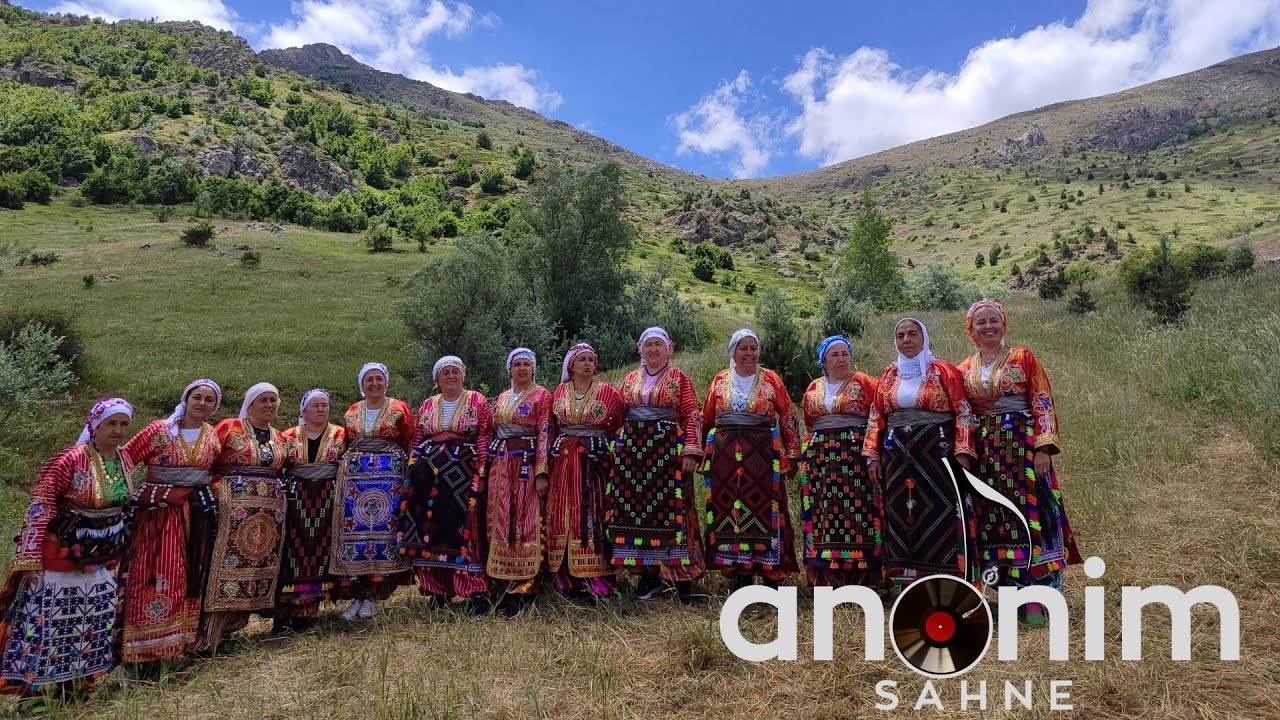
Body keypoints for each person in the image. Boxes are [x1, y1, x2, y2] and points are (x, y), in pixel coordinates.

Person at [957, 300, 1083, 626]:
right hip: (986, 457)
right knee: (995, 522)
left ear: (1004, 323)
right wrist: (965, 452)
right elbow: (964, 414)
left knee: (1033, 517)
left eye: (993, 321)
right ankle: (1010, 594)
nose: (988, 327)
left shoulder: (1023, 358)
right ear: (970, 329)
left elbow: (1041, 401)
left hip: (1023, 450)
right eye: (980, 322)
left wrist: (1044, 448)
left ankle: (1038, 596)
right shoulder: (963, 369)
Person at [0, 399, 136, 698]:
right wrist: (30, 556)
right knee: (54, 622)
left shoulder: (124, 459)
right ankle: (38, 694)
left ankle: (77, 685)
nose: (117, 430)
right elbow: (41, 504)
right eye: (110, 424)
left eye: (123, 424)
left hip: (104, 556)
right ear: (94, 426)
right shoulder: (70, 459)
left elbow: (124, 506)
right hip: (63, 554)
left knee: (93, 618)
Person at [864, 318, 979, 585]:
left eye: (912, 334)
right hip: (897, 458)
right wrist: (871, 455)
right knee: (902, 513)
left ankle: (948, 577)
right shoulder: (889, 375)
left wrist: (962, 451)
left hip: (936, 454)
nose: (906, 340)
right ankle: (909, 580)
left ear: (924, 337)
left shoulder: (943, 371)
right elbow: (876, 416)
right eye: (901, 335)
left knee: (943, 510)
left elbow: (963, 411)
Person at [120, 380, 222, 665]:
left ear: (215, 407)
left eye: (209, 400)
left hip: (197, 515)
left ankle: (175, 646)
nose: (202, 403)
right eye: (197, 397)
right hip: (158, 514)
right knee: (154, 574)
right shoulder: (158, 430)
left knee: (187, 575)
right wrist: (123, 496)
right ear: (185, 399)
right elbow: (125, 459)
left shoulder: (212, 435)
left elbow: (215, 472)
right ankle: (141, 651)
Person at [606, 327, 706, 604]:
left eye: (658, 345)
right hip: (634, 458)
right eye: (648, 345)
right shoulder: (628, 380)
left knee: (677, 512)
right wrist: (614, 447)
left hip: (668, 453)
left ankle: (682, 578)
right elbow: (617, 416)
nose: (653, 349)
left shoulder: (679, 378)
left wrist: (690, 449)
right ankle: (648, 576)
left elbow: (691, 414)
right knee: (639, 514)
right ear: (641, 350)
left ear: (669, 349)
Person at [701, 329, 802, 590]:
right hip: (725, 456)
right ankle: (740, 572)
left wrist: (793, 453)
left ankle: (770, 573)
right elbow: (707, 417)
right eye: (743, 348)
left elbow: (788, 414)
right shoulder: (720, 379)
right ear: (733, 352)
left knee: (768, 509)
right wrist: (702, 453)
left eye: (753, 348)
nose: (749, 353)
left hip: (763, 454)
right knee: (730, 510)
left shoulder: (771, 379)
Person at [196, 382, 288, 653]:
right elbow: (207, 460)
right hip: (230, 512)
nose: (269, 405)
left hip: (266, 515)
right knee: (222, 568)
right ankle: (206, 638)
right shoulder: (229, 428)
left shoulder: (279, 437)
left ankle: (230, 630)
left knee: (252, 570)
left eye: (273, 400)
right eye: (263, 400)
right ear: (249, 404)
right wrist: (213, 494)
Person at [401, 357, 492, 614]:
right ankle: (438, 591)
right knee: (433, 529)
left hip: (464, 471)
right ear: (436, 380)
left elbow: (484, 435)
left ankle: (474, 591)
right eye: (445, 373)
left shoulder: (477, 401)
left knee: (465, 529)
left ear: (463, 376)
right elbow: (418, 439)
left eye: (455, 372)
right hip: (430, 475)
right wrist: (411, 470)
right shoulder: (429, 404)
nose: (450, 376)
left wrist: (482, 474)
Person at [798, 335, 884, 588]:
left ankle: (865, 579)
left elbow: (877, 417)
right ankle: (828, 578)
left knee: (862, 514)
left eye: (845, 354)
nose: (841, 359)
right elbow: (809, 423)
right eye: (834, 355)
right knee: (824, 515)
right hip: (822, 463)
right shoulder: (814, 388)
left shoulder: (865, 383)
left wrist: (872, 454)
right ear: (823, 360)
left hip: (855, 459)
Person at [334, 363, 414, 620]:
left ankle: (374, 595)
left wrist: (409, 474)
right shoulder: (352, 410)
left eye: (379, 379)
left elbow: (409, 440)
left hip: (388, 479)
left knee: (383, 535)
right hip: (356, 481)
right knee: (356, 534)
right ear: (362, 384)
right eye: (369, 379)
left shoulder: (399, 408)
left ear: (386, 383)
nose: (375, 384)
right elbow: (346, 442)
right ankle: (358, 594)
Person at [545, 343, 625, 599]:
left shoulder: (610, 393)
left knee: (592, 512)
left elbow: (621, 428)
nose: (588, 364)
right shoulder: (557, 393)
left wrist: (609, 453)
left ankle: (598, 580)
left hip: (593, 465)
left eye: (591, 359)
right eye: (582, 360)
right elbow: (551, 430)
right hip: (564, 465)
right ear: (571, 365)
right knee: (562, 513)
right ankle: (566, 579)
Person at [485, 348, 552, 617]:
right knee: (500, 520)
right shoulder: (501, 398)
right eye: (517, 365)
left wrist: (542, 472)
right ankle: (502, 582)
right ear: (509, 370)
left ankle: (526, 586)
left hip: (526, 463)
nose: (522, 369)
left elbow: (545, 433)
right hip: (501, 465)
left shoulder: (542, 395)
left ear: (533, 369)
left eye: (527, 365)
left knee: (527, 520)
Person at [275, 389, 347, 632]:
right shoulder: (287, 436)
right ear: (303, 410)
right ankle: (284, 612)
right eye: (315, 405)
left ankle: (308, 611)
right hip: (296, 500)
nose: (320, 409)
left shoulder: (340, 434)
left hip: (328, 499)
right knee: (292, 552)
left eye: (324, 405)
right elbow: (278, 464)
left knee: (320, 551)